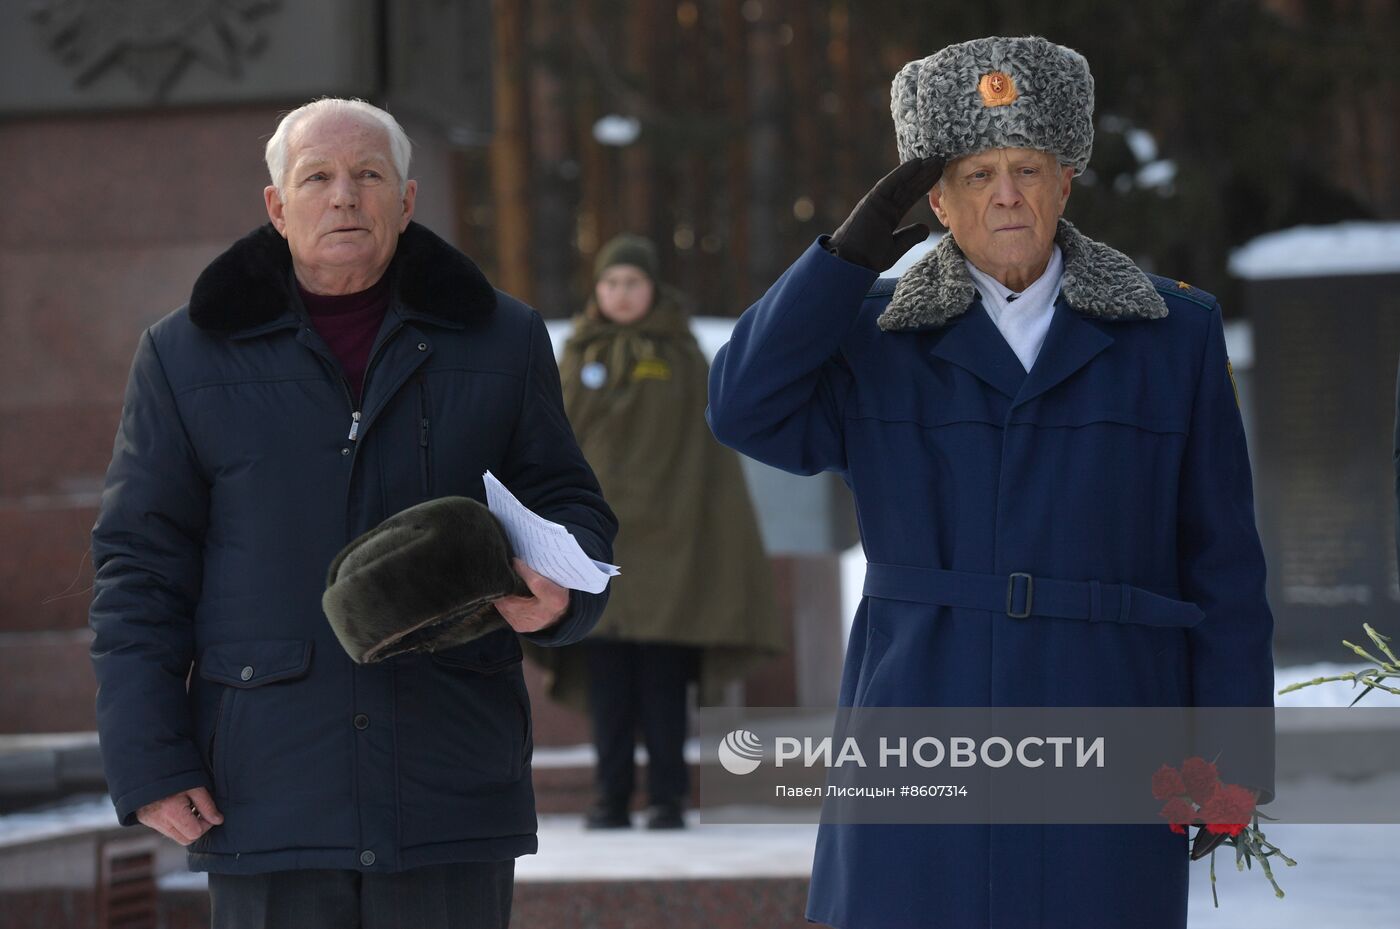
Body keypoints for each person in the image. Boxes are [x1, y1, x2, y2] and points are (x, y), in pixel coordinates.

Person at [707, 36, 1274, 929]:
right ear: (934, 199)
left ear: (1067, 179)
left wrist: (1231, 760)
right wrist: (845, 255)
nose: (1006, 194)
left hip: (1108, 710)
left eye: (1027, 167)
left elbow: (1225, 566)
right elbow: (742, 408)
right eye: (976, 173)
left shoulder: (1171, 334)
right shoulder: (870, 334)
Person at [88, 97, 616, 929]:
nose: (345, 196)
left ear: (406, 202)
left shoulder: (501, 338)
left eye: (370, 175)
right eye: (319, 178)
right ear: (277, 206)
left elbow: (569, 500)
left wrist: (566, 589)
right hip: (266, 788)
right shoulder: (183, 354)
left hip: (450, 780)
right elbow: (140, 566)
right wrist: (148, 756)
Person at [529, 234, 783, 830]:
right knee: (609, 683)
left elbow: (708, 458)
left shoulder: (684, 356)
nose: (621, 295)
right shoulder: (573, 355)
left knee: (665, 685)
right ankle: (609, 797)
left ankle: (668, 797)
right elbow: (549, 444)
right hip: (598, 551)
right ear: (597, 290)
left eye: (632, 283)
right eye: (611, 283)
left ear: (653, 289)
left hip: (673, 551)